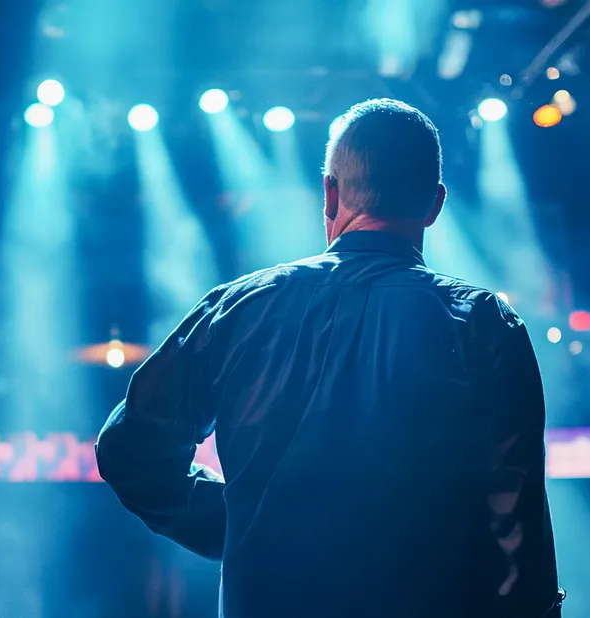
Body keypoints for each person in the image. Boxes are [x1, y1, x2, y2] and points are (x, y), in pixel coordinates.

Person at [96, 98, 563, 618]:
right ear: (434, 204)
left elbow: (129, 452)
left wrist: (240, 523)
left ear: (330, 193)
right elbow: (515, 521)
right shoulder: (482, 324)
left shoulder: (240, 309)